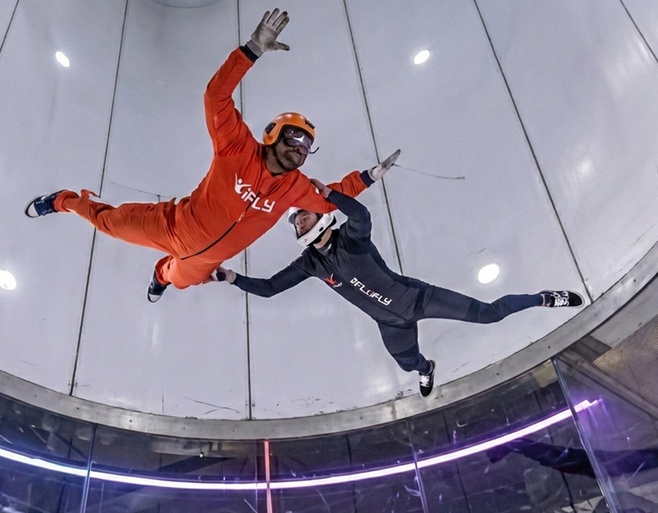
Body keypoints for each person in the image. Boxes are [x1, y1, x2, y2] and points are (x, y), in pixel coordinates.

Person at [24, 9, 391, 303]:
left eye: (308, 144)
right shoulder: (237, 147)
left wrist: (367, 177)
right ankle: (64, 200)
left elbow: (330, 201)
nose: (300, 147)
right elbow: (216, 97)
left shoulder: (296, 190)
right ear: (273, 134)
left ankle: (159, 275)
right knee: (108, 224)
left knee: (178, 280)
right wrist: (251, 50)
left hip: (205, 261)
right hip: (172, 225)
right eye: (295, 136)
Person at [213, 177, 584, 397]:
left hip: (421, 300)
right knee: (408, 364)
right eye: (295, 221)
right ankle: (427, 369)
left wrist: (330, 194)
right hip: (391, 323)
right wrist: (232, 278)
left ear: (321, 215)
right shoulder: (310, 263)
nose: (299, 221)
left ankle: (543, 298)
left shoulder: (350, 238)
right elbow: (268, 289)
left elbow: (362, 215)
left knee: (489, 315)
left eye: (304, 214)